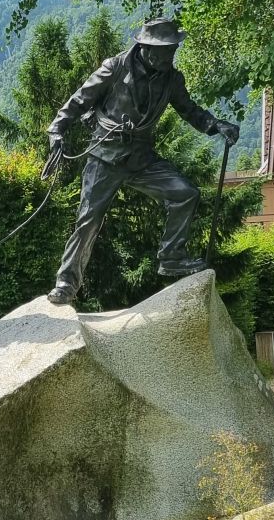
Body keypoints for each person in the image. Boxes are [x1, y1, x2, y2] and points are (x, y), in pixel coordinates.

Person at [45, 17, 239, 305]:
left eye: (173, 50)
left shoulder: (172, 79)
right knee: (88, 220)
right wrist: (57, 129)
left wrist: (216, 125)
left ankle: (171, 257)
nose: (170, 55)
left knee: (185, 193)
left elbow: (190, 110)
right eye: (165, 50)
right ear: (147, 48)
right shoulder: (115, 67)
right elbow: (80, 100)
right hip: (106, 156)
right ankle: (67, 283)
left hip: (141, 158)